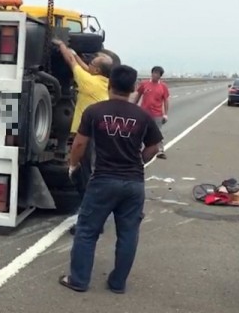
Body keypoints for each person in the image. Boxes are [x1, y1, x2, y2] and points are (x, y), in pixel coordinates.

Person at [58, 64, 163, 293]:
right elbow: (154, 147)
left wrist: (73, 165)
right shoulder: (143, 116)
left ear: (110, 85)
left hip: (103, 181)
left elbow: (79, 143)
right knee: (128, 234)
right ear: (134, 87)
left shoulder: (94, 112)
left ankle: (79, 280)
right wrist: (139, 161)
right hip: (134, 183)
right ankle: (117, 283)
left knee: (87, 230)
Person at [52, 39, 114, 235]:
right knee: (85, 177)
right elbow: (85, 67)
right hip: (101, 137)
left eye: (93, 63)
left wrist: (62, 46)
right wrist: (77, 54)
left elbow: (72, 63)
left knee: (85, 177)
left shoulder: (89, 83)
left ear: (97, 71)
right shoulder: (103, 82)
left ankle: (90, 222)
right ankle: (91, 216)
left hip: (88, 137)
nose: (90, 64)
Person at [134, 66, 170, 159]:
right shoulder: (144, 84)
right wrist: (133, 106)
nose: (155, 75)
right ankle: (137, 149)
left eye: (157, 73)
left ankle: (160, 151)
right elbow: (138, 95)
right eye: (154, 73)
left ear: (160, 76)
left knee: (157, 133)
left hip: (157, 114)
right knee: (140, 131)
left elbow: (166, 100)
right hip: (144, 113)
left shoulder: (163, 86)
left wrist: (165, 114)